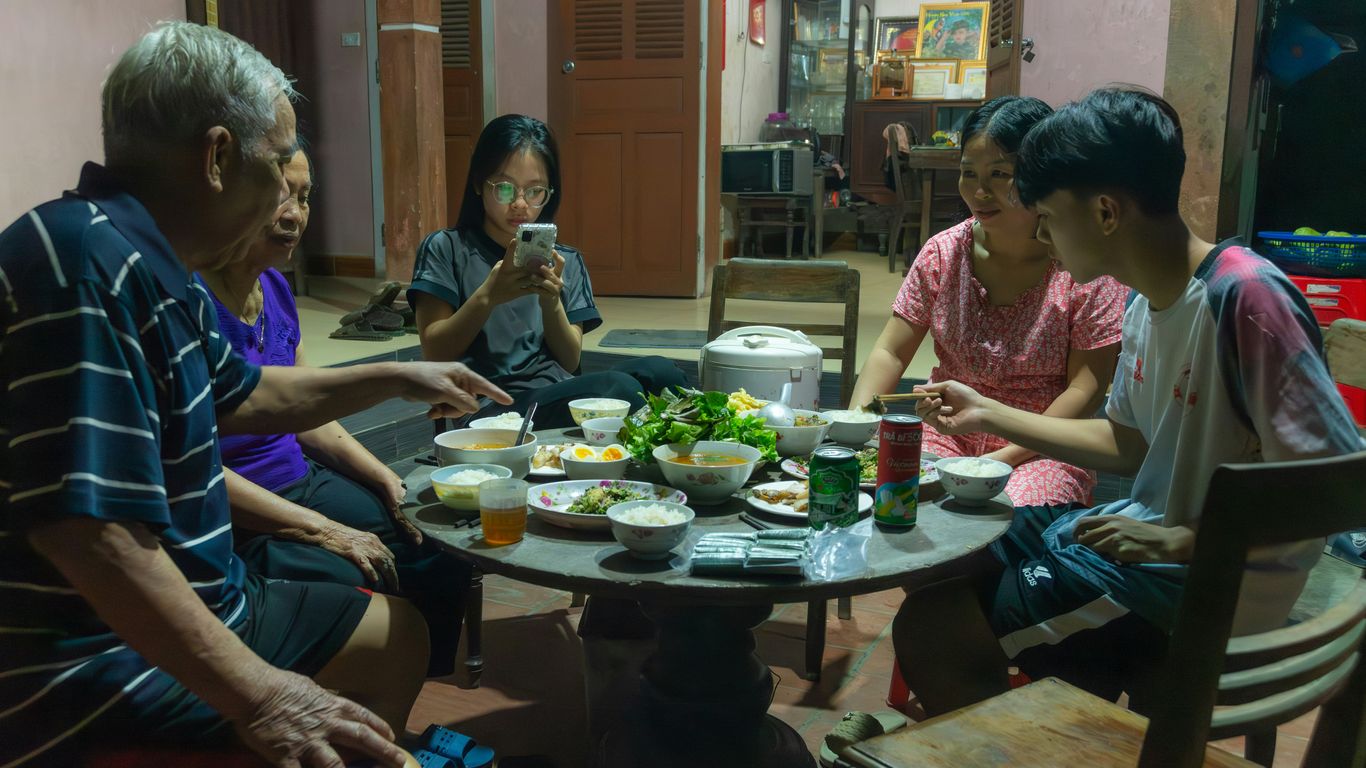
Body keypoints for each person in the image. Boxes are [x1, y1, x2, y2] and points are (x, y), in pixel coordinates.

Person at [0, 23, 510, 767]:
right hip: (94, 661)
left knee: (398, 634)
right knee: (337, 709)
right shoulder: (85, 265)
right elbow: (93, 537)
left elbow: (243, 394)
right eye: (278, 165)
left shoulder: (156, 261)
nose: (286, 195)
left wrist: (400, 375)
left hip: (220, 593)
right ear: (216, 156)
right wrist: (266, 696)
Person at [892, 88, 1364, 717]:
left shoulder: (1246, 298)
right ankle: (1055, 727)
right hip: (1151, 540)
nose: (1040, 233)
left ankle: (1030, 737)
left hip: (1206, 582)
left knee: (936, 632)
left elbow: (1336, 484)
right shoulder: (1144, 303)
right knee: (955, 565)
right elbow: (1127, 441)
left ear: (1107, 214)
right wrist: (987, 412)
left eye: (1050, 217)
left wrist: (1188, 539)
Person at [196, 145, 472, 678]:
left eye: (305, 197)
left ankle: (413, 688)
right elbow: (192, 463)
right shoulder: (191, 302)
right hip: (240, 505)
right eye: (281, 195)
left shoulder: (275, 286)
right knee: (354, 569)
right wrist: (321, 528)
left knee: (434, 543)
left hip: (300, 476)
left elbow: (309, 409)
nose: (296, 213)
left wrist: (384, 476)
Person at [849, 96, 1127, 507]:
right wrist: (855, 425)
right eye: (967, 173)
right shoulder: (944, 253)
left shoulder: (1081, 264)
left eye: (1000, 174)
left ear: (1039, 176)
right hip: (944, 431)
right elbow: (891, 350)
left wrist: (999, 460)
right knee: (888, 495)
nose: (979, 191)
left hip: (1042, 444)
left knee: (1009, 518)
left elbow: (1086, 387)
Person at [409, 114, 685, 428]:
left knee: (662, 372)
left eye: (535, 191)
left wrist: (550, 301)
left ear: (549, 193)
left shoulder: (565, 259)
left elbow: (570, 361)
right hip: (489, 407)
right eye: (503, 189)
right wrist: (488, 296)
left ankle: (695, 462)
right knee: (617, 390)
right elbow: (435, 351)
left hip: (554, 391)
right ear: (477, 183)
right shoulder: (446, 248)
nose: (519, 204)